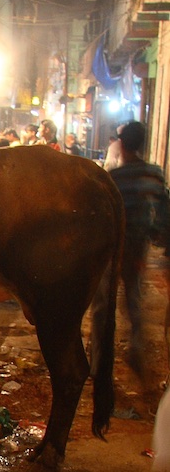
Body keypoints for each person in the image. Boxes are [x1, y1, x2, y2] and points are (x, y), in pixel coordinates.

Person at [90, 121, 169, 378]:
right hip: (137, 248)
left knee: (103, 305)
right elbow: (163, 212)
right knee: (133, 299)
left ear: (121, 144)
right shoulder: (154, 175)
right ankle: (136, 349)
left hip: (111, 248)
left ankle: (98, 362)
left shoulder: (113, 178)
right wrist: (157, 236)